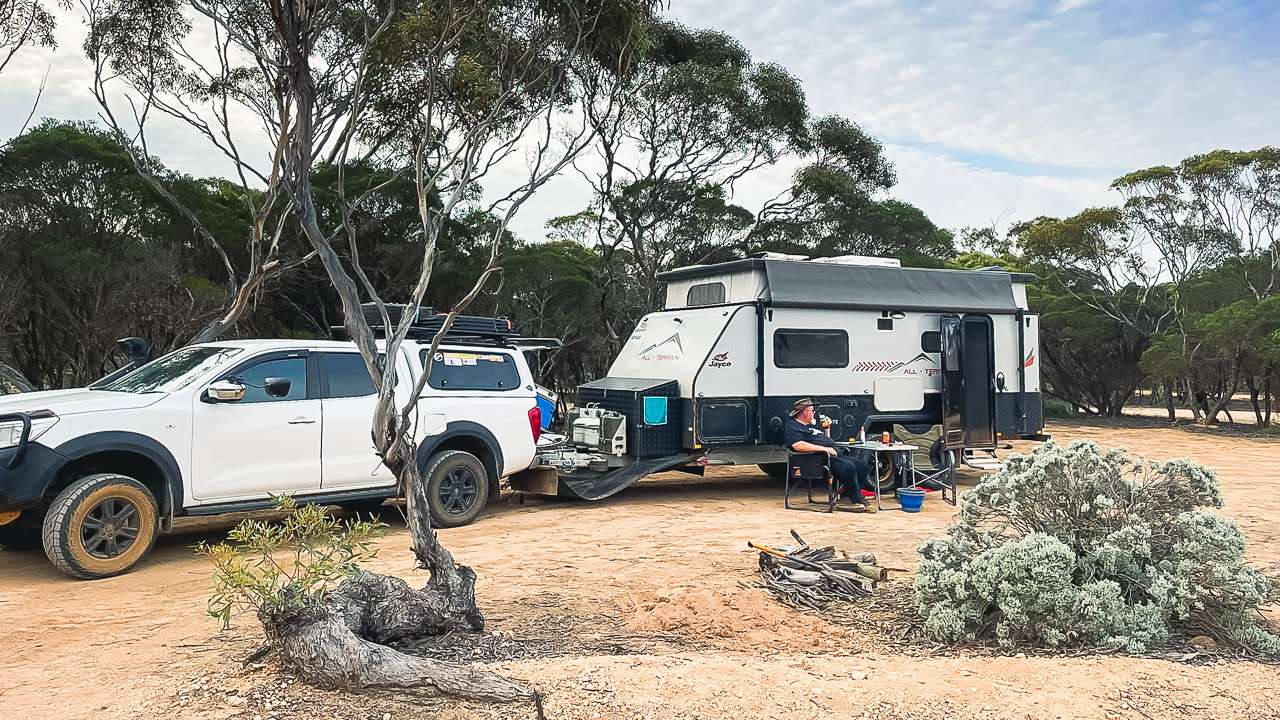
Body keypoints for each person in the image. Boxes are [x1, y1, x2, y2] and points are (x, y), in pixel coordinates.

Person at [783, 398, 876, 512]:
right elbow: (798, 445)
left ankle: (847, 498)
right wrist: (825, 449)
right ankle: (856, 499)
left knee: (861, 466)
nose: (814, 413)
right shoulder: (793, 426)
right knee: (848, 467)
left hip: (832, 454)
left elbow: (826, 440)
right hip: (817, 459)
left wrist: (827, 430)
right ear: (804, 412)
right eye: (812, 410)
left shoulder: (810, 426)